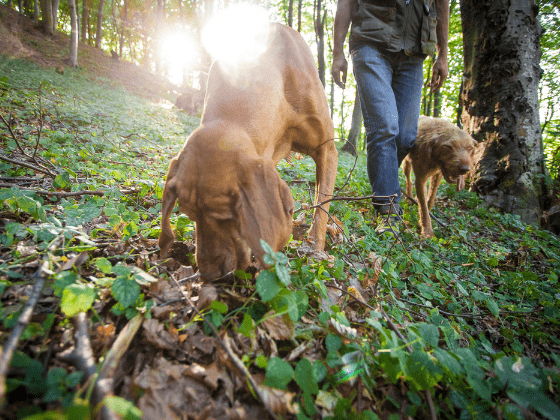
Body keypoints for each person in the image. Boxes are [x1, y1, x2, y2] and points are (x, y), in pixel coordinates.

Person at [332, 0, 449, 235]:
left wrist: (442, 54)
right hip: (370, 43)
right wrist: (337, 53)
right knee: (384, 127)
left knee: (405, 136)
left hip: (414, 53)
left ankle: (383, 186)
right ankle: (388, 211)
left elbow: (441, 3)